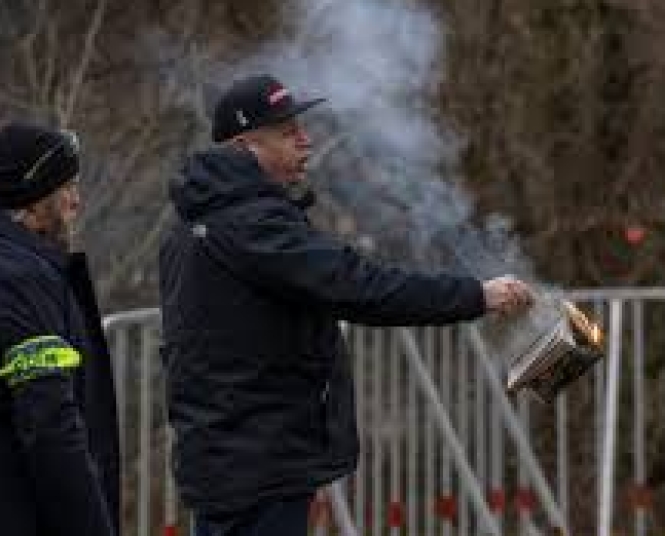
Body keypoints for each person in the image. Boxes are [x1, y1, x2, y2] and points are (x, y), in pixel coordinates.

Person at [159, 75, 532, 536]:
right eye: (286, 132)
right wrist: (478, 295)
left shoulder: (201, 219)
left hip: (232, 457)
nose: (305, 141)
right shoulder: (250, 224)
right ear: (243, 147)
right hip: (256, 461)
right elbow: (358, 286)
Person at [0, 122, 120, 536]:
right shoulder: (19, 278)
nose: (76, 201)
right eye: (66, 187)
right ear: (33, 200)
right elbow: (50, 422)